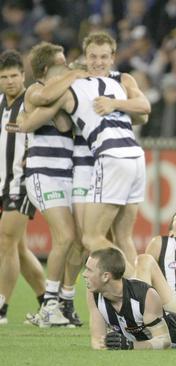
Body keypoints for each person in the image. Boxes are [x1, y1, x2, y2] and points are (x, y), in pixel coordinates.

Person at [13, 63, 147, 278]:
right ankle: (137, 289)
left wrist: (114, 104)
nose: (98, 62)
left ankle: (137, 285)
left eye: (103, 56)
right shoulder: (112, 84)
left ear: (111, 58)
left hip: (106, 162)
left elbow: (142, 114)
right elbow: (142, 114)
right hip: (107, 164)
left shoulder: (95, 87)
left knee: (93, 239)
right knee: (102, 239)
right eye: (93, 56)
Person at [12, 42, 83, 327]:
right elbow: (46, 114)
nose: (67, 66)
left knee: (79, 242)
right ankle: (49, 304)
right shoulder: (34, 90)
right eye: (61, 62)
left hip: (68, 173)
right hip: (43, 173)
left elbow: (64, 126)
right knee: (65, 237)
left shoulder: (63, 90)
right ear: (45, 69)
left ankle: (65, 300)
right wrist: (74, 76)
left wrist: (29, 119)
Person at [0, 50, 40, 325]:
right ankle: (48, 300)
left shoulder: (33, 101)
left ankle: (1, 307)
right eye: (4, 76)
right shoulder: (1, 103)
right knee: (19, 248)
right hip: (3, 183)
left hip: (23, 182)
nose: (9, 81)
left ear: (23, 76)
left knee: (5, 241)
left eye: (14, 75)